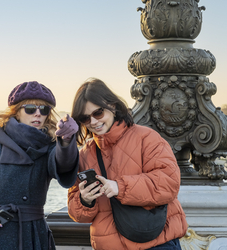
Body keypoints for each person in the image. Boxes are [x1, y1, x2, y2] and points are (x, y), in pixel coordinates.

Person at [0, 81, 79, 250]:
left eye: (44, 109)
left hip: (33, 237)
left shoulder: (49, 147)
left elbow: (63, 167)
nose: (37, 114)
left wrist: (66, 141)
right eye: (30, 109)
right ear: (16, 112)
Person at [68, 78, 187, 250]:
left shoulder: (147, 138)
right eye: (85, 118)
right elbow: (76, 212)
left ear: (113, 106)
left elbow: (169, 183)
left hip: (155, 243)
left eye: (98, 113)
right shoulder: (84, 154)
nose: (93, 122)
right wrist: (85, 200)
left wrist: (120, 187)